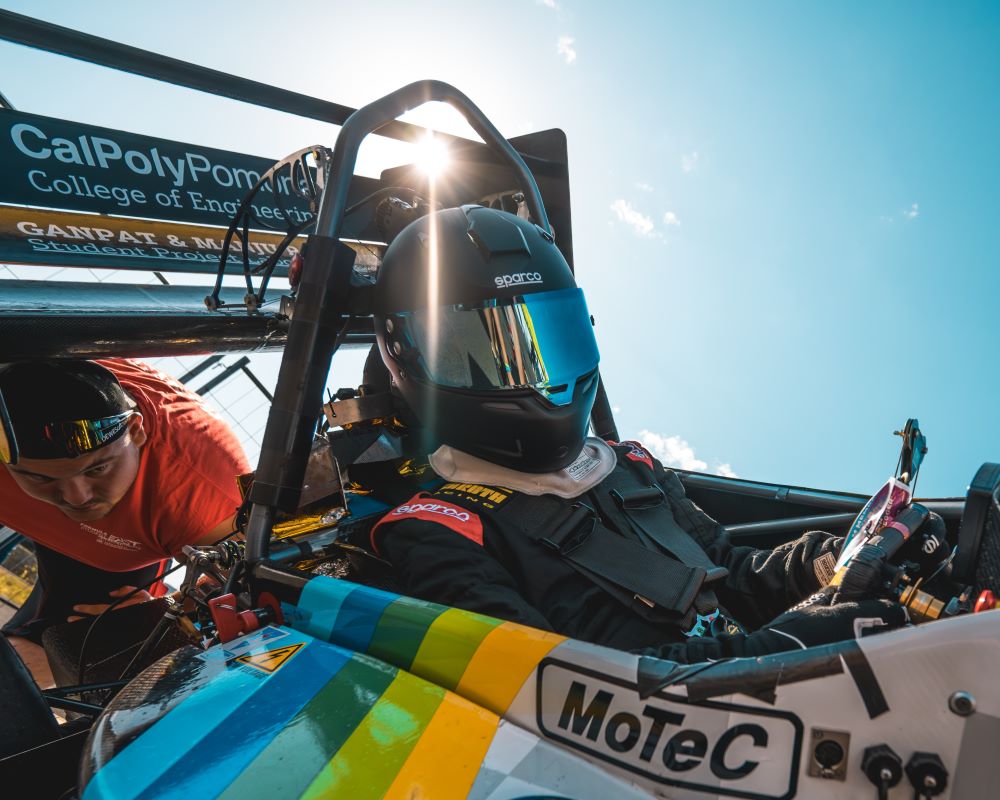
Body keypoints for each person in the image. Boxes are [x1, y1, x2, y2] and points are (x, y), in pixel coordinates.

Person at [368, 204, 936, 663]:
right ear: (410, 358)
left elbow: (728, 571)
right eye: (489, 353)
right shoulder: (432, 531)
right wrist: (773, 654)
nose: (542, 378)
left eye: (551, 336)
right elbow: (546, 684)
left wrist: (836, 563)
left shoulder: (630, 465)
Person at [0, 358, 249, 682]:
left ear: (136, 431)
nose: (78, 497)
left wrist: (166, 610)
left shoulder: (201, 494)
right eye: (42, 478)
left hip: (131, 538)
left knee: (110, 634)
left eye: (96, 469)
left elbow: (244, 584)